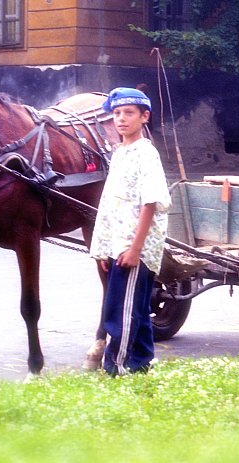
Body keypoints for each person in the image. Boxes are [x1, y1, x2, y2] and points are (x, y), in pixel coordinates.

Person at [90, 86, 170, 375]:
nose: (121, 119)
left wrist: (135, 249)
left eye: (128, 113)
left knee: (121, 312)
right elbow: (111, 204)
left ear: (144, 117)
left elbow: (150, 202)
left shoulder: (145, 153)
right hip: (118, 244)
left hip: (134, 247)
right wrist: (103, 247)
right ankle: (141, 362)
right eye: (116, 113)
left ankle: (118, 367)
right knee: (134, 309)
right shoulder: (121, 152)